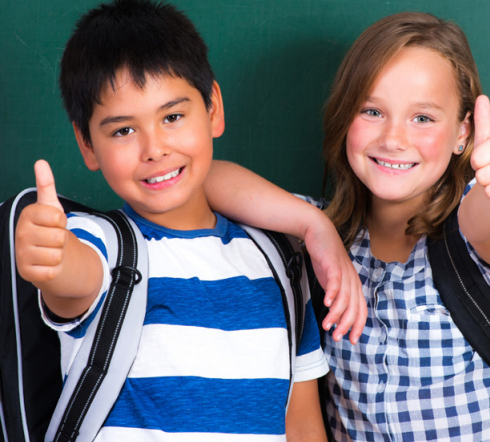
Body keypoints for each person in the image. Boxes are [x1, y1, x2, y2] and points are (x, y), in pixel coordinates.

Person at [14, 0, 367, 440]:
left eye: (173, 117)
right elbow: (74, 278)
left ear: (213, 109)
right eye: (123, 130)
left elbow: (301, 423)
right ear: (86, 144)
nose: (155, 149)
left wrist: (312, 225)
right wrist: (52, 258)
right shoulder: (100, 244)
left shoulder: (279, 263)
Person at [203, 11, 490, 442]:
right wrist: (315, 228)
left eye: (423, 118)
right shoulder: (328, 235)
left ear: (463, 133)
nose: (393, 139)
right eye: (372, 111)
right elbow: (204, 179)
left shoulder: (475, 234)